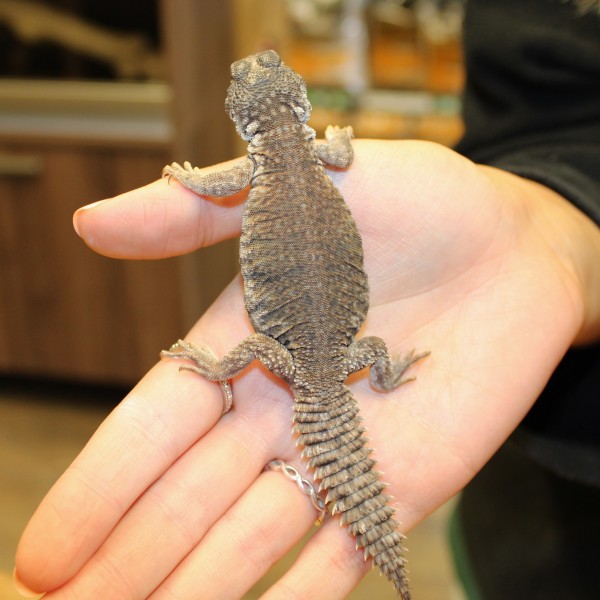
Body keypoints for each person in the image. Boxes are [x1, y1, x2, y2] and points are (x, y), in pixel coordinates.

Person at [13, 0, 600, 598]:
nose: (250, 66)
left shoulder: (253, 169)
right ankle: (376, 401)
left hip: (326, 355)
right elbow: (343, 152)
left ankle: (220, 373)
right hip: (339, 352)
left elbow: (210, 186)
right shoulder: (319, 154)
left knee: (260, 361)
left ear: (245, 120)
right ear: (298, 105)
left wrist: (188, 177)